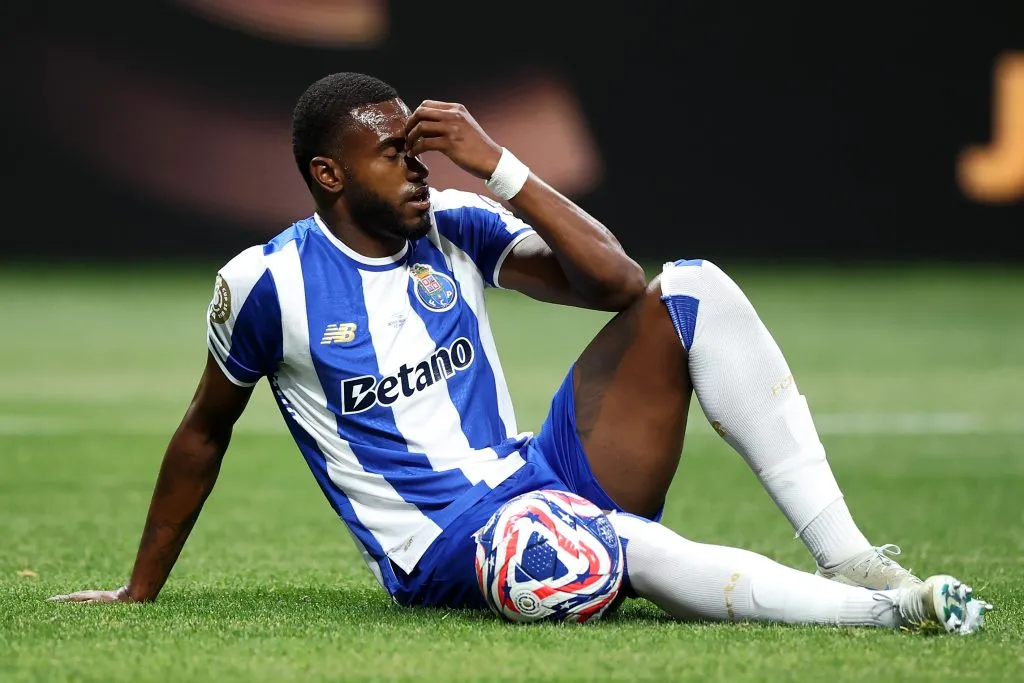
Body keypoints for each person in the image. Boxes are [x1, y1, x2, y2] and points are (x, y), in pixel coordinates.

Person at [49, 73, 990, 633]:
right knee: (595, 546)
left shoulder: (453, 222)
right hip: (447, 546)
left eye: (418, 149)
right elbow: (203, 431)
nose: (417, 167)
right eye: (392, 153)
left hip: (537, 473)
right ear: (329, 175)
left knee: (690, 289)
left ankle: (851, 559)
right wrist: (140, 588)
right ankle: (888, 615)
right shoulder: (265, 284)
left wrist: (499, 165)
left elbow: (618, 283)